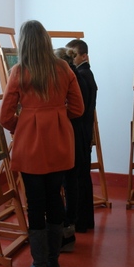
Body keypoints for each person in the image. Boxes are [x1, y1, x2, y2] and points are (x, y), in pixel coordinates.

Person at [0, 21, 84, 267]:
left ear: (23, 43)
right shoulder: (63, 68)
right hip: (58, 142)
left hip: (30, 145)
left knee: (35, 203)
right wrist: (57, 116)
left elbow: (4, 116)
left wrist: (22, 125)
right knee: (55, 197)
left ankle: (39, 264)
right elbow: (77, 109)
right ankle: (53, 259)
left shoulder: (19, 71)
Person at [54, 47, 89, 252]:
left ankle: (66, 229)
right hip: (77, 136)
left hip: (69, 136)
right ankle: (69, 228)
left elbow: (75, 110)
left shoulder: (70, 80)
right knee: (71, 182)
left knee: (66, 183)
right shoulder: (80, 76)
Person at [66, 39, 98, 233]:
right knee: (83, 176)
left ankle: (80, 220)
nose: (71, 59)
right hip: (84, 132)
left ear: (84, 56)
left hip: (79, 132)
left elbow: (78, 109)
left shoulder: (81, 75)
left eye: (74, 55)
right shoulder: (87, 74)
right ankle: (85, 220)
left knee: (79, 177)